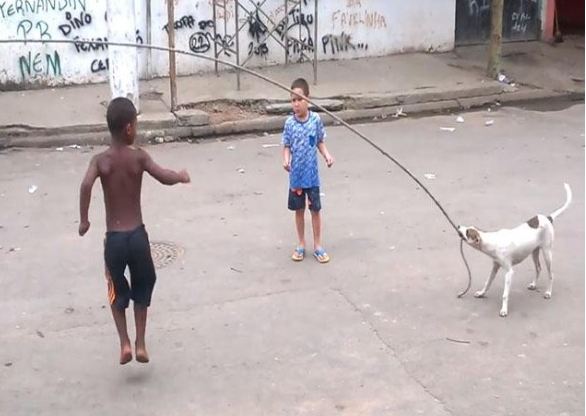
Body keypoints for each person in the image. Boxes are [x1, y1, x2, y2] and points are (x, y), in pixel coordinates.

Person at [78, 97, 190, 364]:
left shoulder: (100, 161)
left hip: (114, 240)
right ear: (129, 128)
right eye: (136, 125)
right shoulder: (139, 157)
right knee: (143, 285)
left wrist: (84, 220)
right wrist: (181, 176)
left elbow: (85, 185)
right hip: (138, 237)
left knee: (116, 290)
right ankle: (141, 342)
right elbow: (163, 176)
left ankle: (124, 343)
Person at [282, 78, 334, 263]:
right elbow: (286, 145)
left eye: (299, 99)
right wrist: (286, 160)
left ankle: (318, 245)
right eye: (293, 100)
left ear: (308, 99)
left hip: (312, 176)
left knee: (315, 210)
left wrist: (327, 155)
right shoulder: (289, 123)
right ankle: (301, 244)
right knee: (299, 210)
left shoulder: (315, 120)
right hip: (296, 176)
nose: (296, 104)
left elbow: (320, 141)